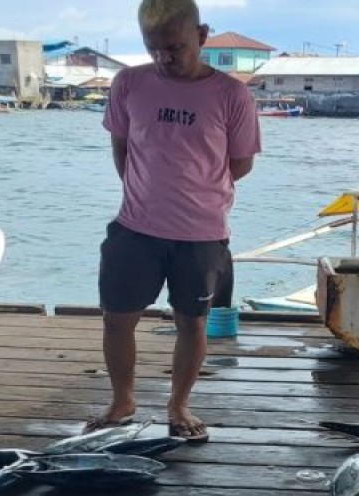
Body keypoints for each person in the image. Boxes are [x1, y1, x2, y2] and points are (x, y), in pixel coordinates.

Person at [90, 0, 260, 442]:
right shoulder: (129, 83)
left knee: (192, 321)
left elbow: (240, 163)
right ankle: (122, 400)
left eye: (175, 47)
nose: (164, 57)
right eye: (154, 49)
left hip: (201, 232)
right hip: (135, 226)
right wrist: (145, 191)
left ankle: (179, 405)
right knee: (116, 317)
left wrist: (191, 184)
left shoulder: (231, 94)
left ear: (202, 36)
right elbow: (121, 147)